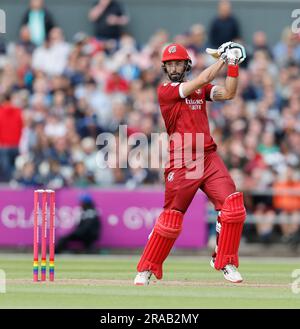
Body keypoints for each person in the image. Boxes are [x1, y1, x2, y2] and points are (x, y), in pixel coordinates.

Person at [134, 42, 247, 285]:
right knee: (172, 219)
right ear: (165, 67)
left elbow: (229, 93)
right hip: (183, 160)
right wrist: (224, 59)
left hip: (208, 156)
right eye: (170, 64)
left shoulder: (199, 90)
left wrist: (234, 65)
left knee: (232, 206)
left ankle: (225, 260)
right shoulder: (166, 90)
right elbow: (203, 79)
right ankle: (147, 268)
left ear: (186, 64)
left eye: (178, 63)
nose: (174, 67)